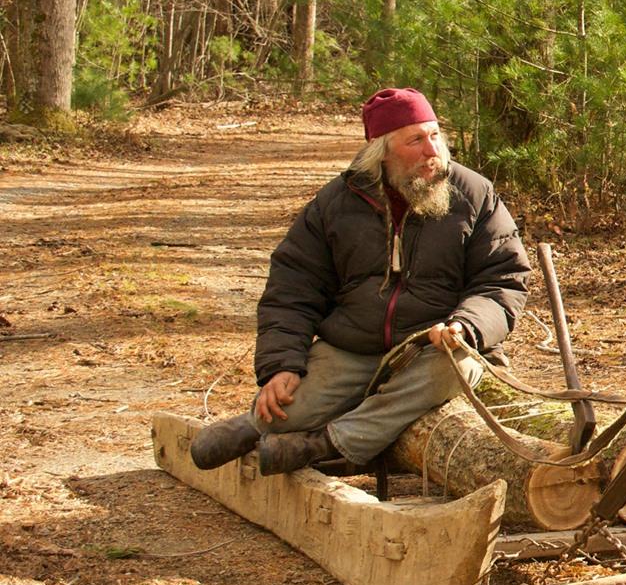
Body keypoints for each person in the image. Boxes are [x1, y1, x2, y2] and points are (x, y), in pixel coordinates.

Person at [190, 88, 531, 475]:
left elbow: (503, 278)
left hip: (430, 350)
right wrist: (281, 366)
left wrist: (466, 324)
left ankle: (327, 445)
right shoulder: (336, 202)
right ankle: (255, 426)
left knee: (458, 368)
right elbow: (292, 288)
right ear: (382, 150)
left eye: (435, 135)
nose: (432, 150)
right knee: (281, 413)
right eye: (415, 140)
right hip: (352, 348)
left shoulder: (474, 194)